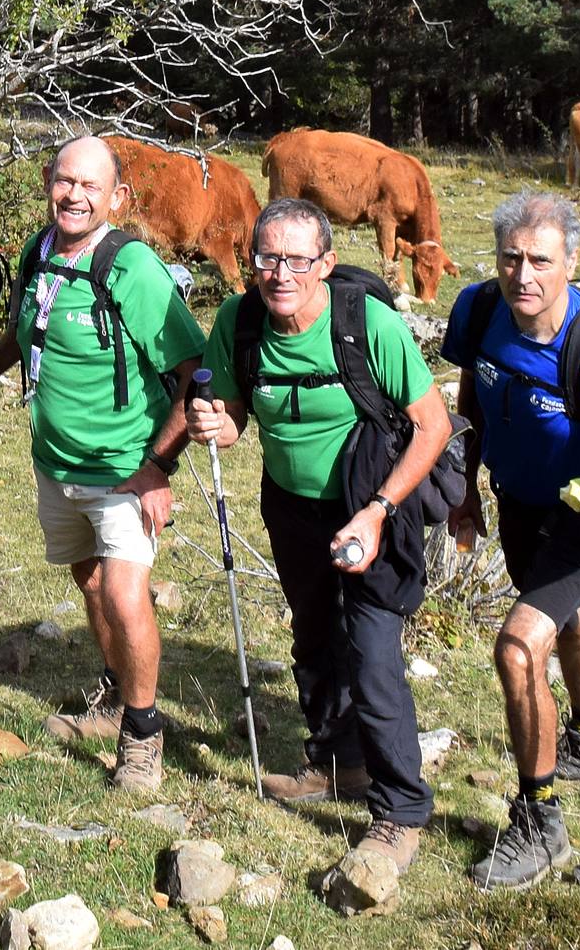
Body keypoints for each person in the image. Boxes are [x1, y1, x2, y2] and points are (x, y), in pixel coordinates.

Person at [186, 198, 455, 872]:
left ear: (325, 264)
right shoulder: (239, 320)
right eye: (266, 258)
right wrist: (223, 426)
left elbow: (433, 425)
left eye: (296, 260)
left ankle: (399, 812)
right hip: (289, 504)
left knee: (369, 652)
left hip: (369, 502)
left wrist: (378, 510)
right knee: (312, 633)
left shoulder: (365, 323)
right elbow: (237, 405)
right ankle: (337, 762)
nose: (280, 273)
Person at [0, 136, 204, 791]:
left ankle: (142, 737)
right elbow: (23, 328)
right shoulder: (39, 250)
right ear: (46, 181)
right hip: (53, 460)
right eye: (65, 181)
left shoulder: (132, 268)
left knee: (123, 594)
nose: (74, 195)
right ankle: (116, 699)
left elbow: (193, 372)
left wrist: (155, 467)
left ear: (116, 197)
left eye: (91, 186)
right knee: (88, 583)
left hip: (121, 466)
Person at [440, 191, 580, 891]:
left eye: (540, 259)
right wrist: (466, 489)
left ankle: (539, 821)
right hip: (515, 502)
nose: (523, 275)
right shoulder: (478, 310)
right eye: (510, 257)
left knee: (516, 648)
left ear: (569, 261)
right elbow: (472, 399)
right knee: (568, 617)